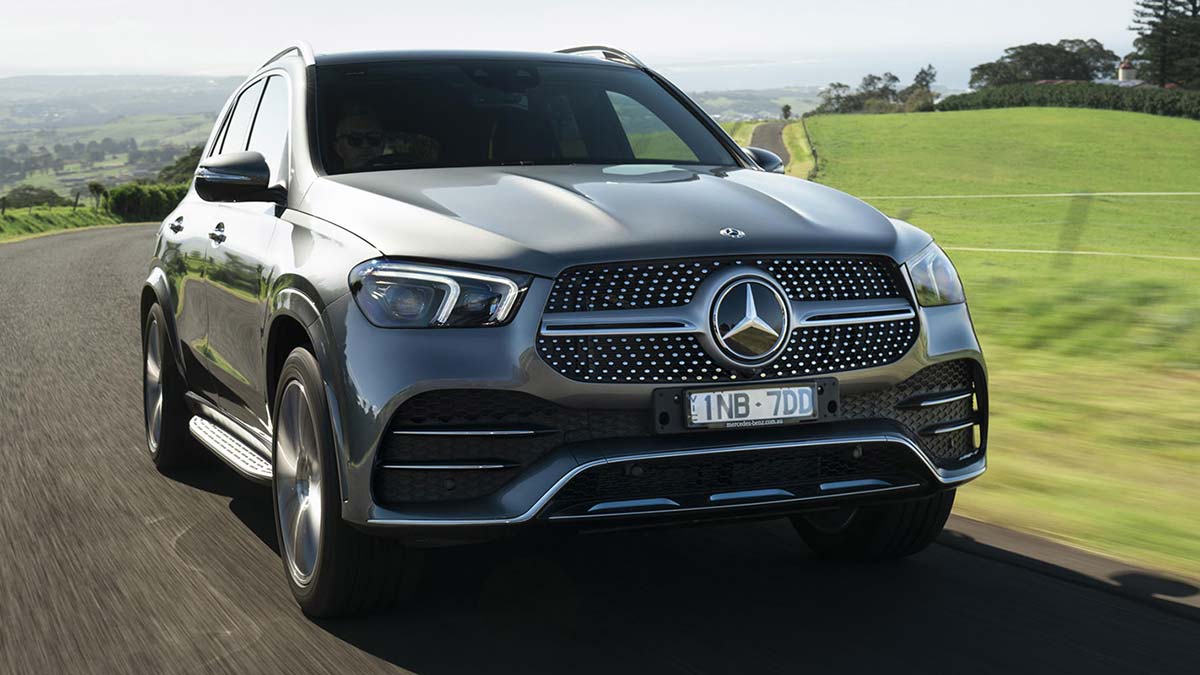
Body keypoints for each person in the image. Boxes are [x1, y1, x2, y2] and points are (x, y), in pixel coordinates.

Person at [332, 106, 386, 171]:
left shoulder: (397, 176)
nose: (365, 145)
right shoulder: (326, 180)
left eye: (373, 138)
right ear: (339, 148)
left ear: (383, 145)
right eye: (355, 139)